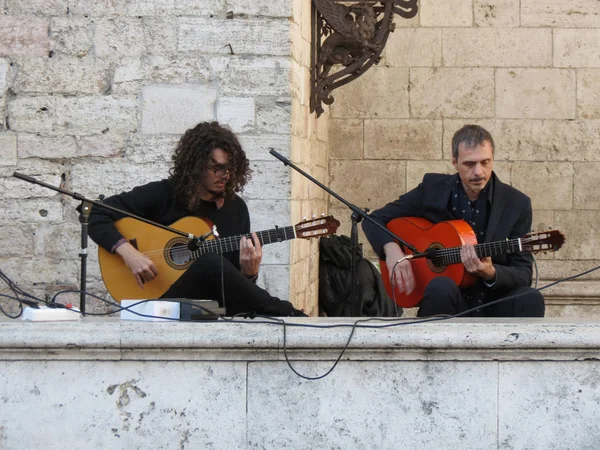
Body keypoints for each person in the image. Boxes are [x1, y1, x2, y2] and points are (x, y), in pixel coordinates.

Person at [88, 121, 306, 317]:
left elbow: (230, 284)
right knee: (209, 261)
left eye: (229, 169)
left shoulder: (236, 209)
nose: (225, 175)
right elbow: (95, 213)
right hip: (161, 298)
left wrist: (250, 274)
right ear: (195, 165)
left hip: (210, 305)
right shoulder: (163, 194)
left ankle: (284, 314)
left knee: (212, 263)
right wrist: (129, 253)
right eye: (217, 168)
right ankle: (288, 313)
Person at [362, 124, 545, 317]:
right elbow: (373, 220)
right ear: (454, 162)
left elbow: (523, 273)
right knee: (441, 286)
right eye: (469, 164)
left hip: (495, 301)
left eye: (485, 162)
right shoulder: (432, 190)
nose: (479, 172)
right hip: (449, 300)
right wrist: (392, 251)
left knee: (530, 297)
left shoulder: (516, 204)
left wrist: (491, 272)